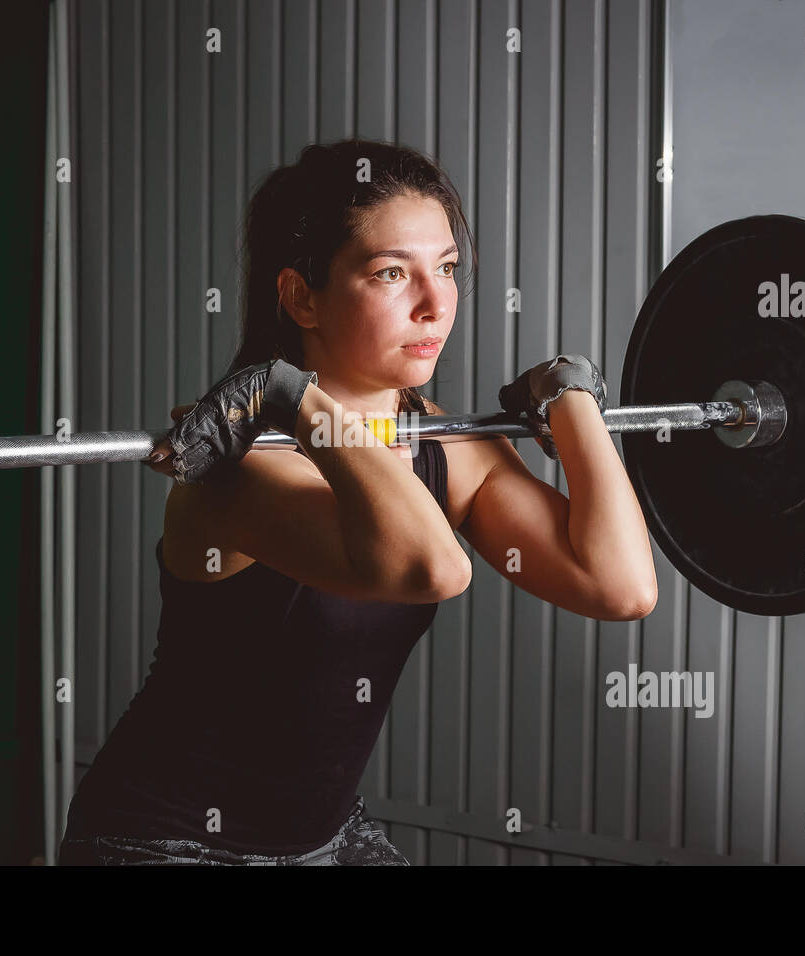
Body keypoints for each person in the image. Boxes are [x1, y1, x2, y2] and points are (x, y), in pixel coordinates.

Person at [57, 139, 657, 866]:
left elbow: (618, 584)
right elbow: (431, 568)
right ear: (301, 295)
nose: (435, 304)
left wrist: (572, 396)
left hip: (326, 839)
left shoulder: (443, 442)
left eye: (445, 269)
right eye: (392, 273)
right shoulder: (241, 469)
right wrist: (286, 395)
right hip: (165, 840)